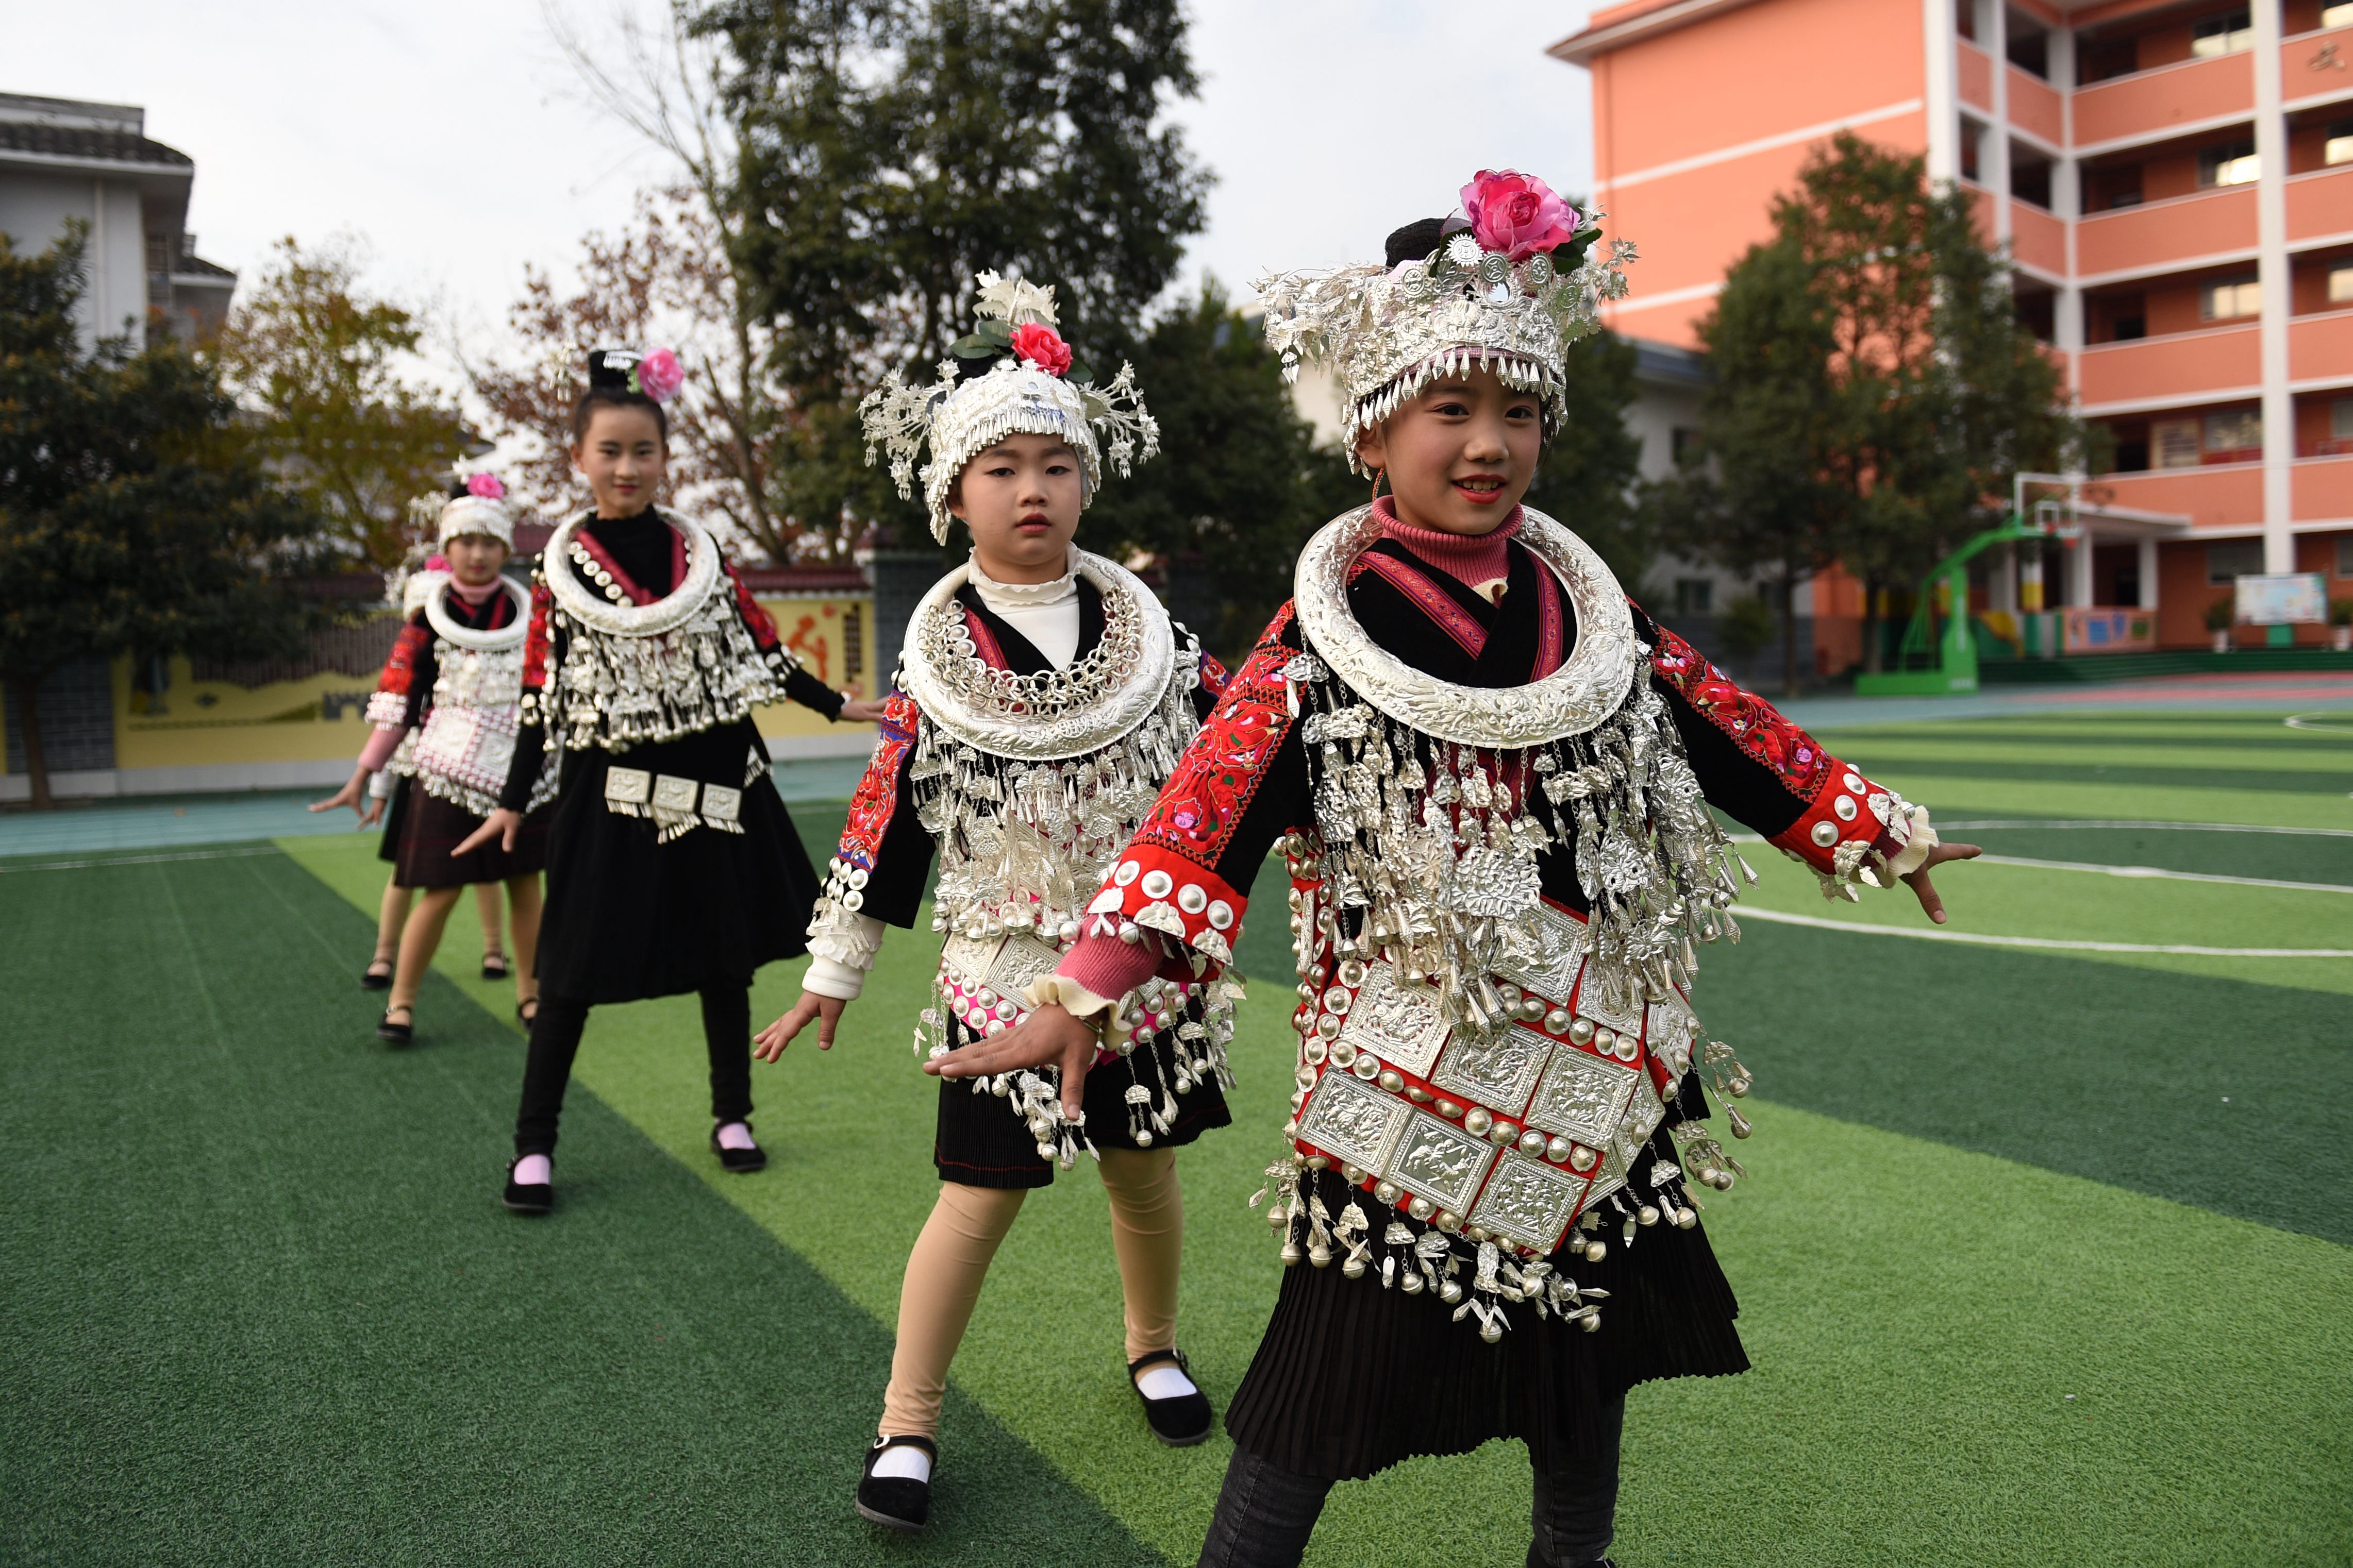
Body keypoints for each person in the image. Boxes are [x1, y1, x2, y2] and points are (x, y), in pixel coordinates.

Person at [928, 172, 1982, 1568]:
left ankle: (1571, 1554)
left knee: (1586, 1348)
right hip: (1407, 1058)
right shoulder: (1323, 635)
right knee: (1319, 1377)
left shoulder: (1587, 605)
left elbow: (1723, 725)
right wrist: (1092, 981)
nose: (1486, 445)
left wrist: (1868, 823)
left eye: (1516, 414)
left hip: (1599, 1045)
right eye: (1450, 411)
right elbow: (1205, 815)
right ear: (1374, 434)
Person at [752, 274, 1233, 1532]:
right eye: (1003, 466)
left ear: (1088, 479)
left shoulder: (1156, 634)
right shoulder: (937, 653)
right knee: (979, 1195)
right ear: (953, 492)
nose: (1034, 489)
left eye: (1056, 464)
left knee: (1142, 1170)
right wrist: (831, 972)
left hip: (1134, 956)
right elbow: (884, 823)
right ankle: (906, 1421)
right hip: (1002, 964)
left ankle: (1154, 1342)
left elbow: (1222, 771)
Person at [455, 347, 883, 1215]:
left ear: (665, 457)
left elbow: (757, 646)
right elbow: (541, 687)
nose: (626, 467)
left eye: (642, 450)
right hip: (606, 783)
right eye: (609, 450)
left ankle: (734, 1113)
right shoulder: (558, 568)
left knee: (721, 952)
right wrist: (511, 797)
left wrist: (833, 706)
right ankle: (533, 1147)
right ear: (578, 459)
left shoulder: (699, 551)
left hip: (713, 768)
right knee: (568, 965)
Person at [313, 477, 553, 1040]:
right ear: (447, 549)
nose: (476, 554)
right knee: (439, 891)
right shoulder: (425, 619)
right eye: (465, 542)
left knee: (525, 886)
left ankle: (531, 995)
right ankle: (401, 1002)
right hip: (444, 774)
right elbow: (399, 703)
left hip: (522, 775)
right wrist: (364, 774)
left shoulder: (532, 615)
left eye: (488, 542)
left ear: (505, 548)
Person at [341, 561, 512, 993]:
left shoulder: (481, 651)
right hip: (419, 775)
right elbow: (395, 720)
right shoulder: (417, 648)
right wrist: (376, 784)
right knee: (409, 872)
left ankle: (495, 950)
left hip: (478, 770)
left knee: (490, 869)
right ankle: (384, 956)